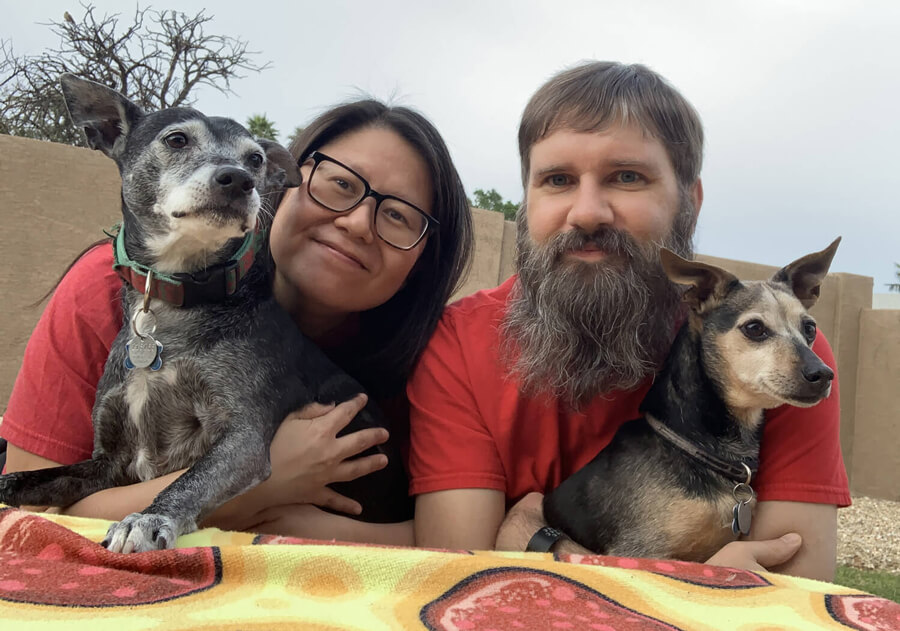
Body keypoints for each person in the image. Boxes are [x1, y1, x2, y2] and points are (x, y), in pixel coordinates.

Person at [408, 61, 850, 581]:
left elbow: (790, 596)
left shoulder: (783, 354)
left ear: (691, 201)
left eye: (626, 177)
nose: (588, 212)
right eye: (557, 180)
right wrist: (709, 580)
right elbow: (457, 579)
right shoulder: (459, 344)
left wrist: (537, 538)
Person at [1, 98, 473, 546]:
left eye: (397, 214)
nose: (356, 223)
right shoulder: (104, 291)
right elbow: (29, 522)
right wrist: (260, 492)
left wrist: (293, 522)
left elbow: (455, 545)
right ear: (291, 185)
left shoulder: (441, 359)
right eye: (341, 185)